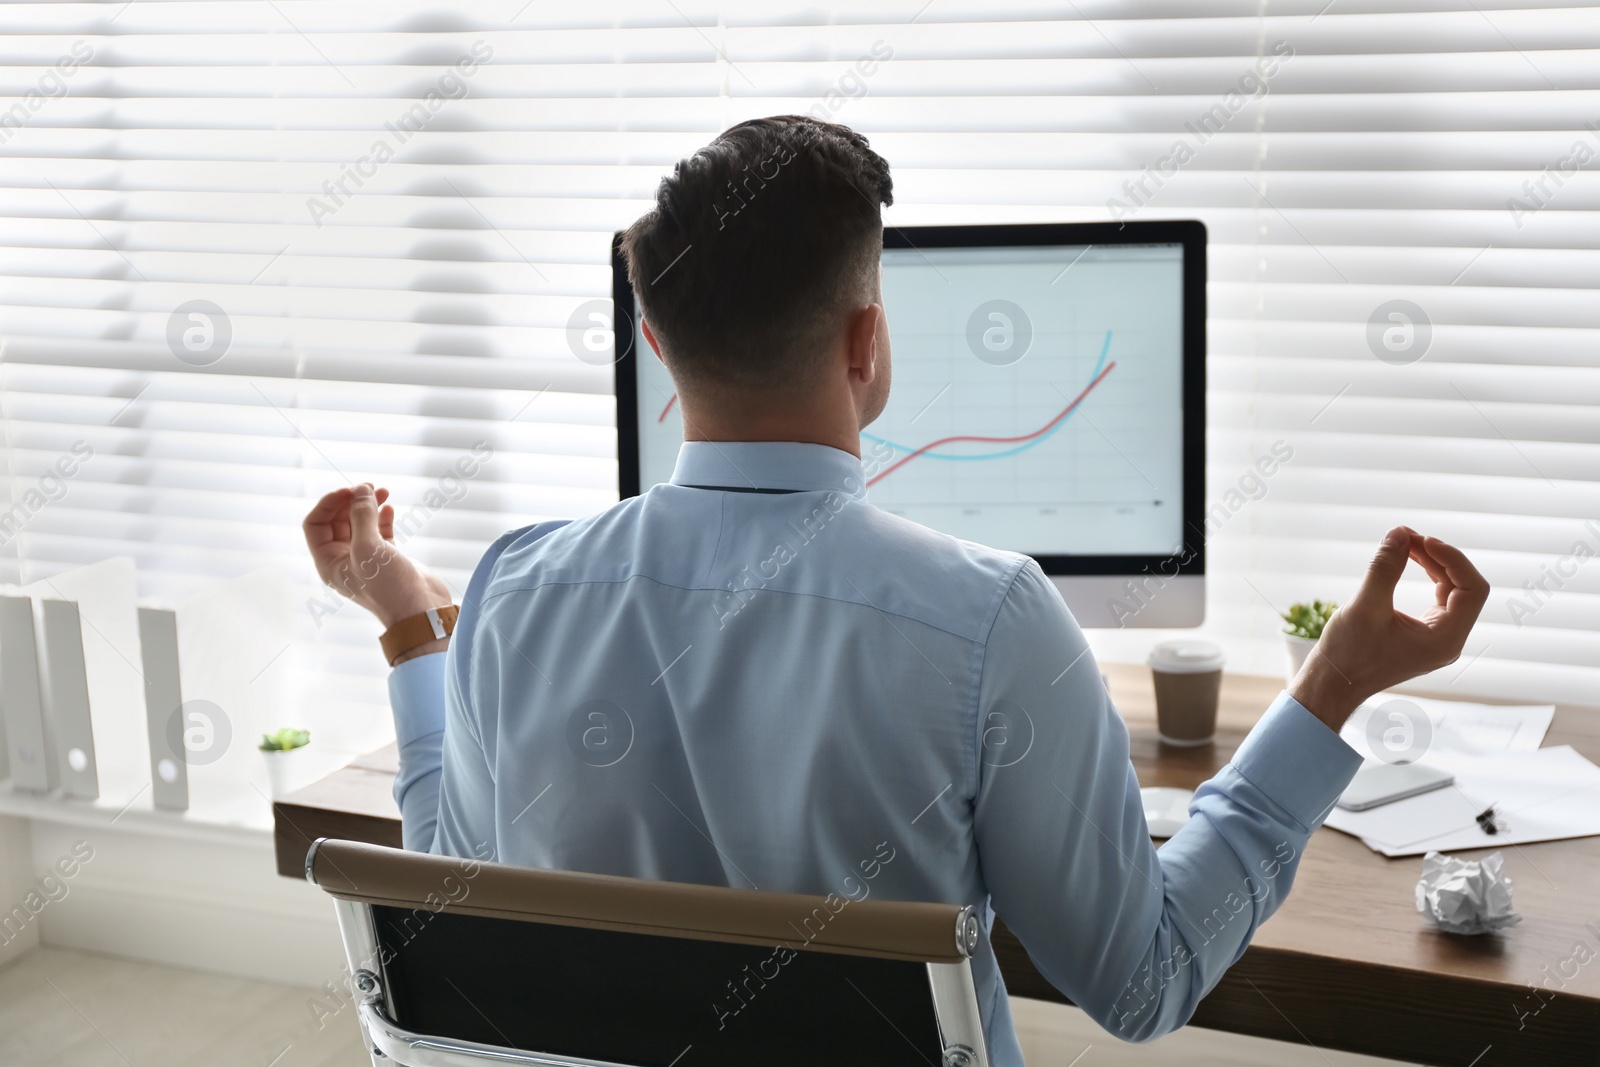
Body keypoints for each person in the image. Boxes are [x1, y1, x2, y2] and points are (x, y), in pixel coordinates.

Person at [302, 115, 1489, 1064]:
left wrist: (412, 624)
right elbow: (1140, 981)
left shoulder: (512, 589)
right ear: (866, 340)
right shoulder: (987, 621)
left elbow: (448, 875)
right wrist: (1333, 684)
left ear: (655, 347)